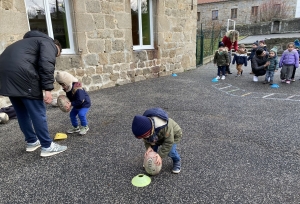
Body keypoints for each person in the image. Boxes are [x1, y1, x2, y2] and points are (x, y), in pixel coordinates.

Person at [0, 30, 67, 157]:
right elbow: (46, 64)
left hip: (5, 76)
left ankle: (31, 141)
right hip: (22, 74)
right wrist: (48, 90)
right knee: (37, 111)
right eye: (56, 55)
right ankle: (47, 146)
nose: (55, 57)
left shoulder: (26, 42)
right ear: (57, 48)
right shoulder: (49, 43)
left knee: (21, 111)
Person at [131, 108, 182, 174]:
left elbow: (168, 142)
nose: (144, 138)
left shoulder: (165, 127)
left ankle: (177, 160)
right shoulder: (147, 128)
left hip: (173, 136)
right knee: (152, 148)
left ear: (150, 131)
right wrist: (148, 146)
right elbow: (146, 139)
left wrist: (160, 155)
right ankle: (152, 160)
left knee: (170, 151)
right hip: (158, 136)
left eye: (145, 136)